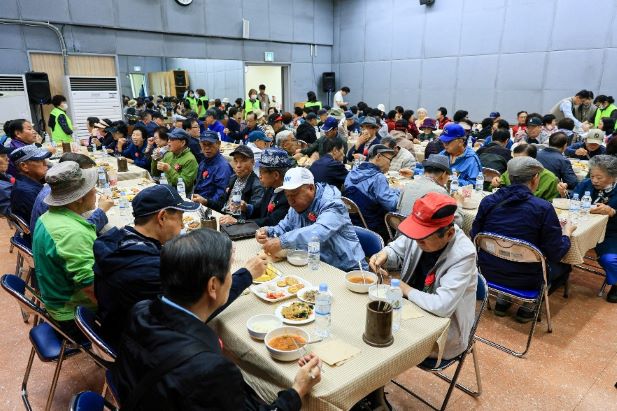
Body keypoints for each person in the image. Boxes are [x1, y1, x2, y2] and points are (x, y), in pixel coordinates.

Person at [111, 228, 321, 410]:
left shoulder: (140, 311)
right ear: (212, 286)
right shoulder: (211, 369)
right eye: (229, 271)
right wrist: (297, 390)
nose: (231, 277)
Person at [94, 185, 230, 349]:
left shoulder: (116, 240)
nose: (182, 226)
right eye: (180, 218)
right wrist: (247, 272)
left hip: (114, 326)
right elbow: (201, 302)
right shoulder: (150, 269)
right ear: (162, 217)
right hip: (139, 346)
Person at [369, 193, 478, 361]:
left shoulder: (464, 254)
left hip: (442, 329)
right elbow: (397, 249)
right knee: (372, 325)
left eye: (423, 239)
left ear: (449, 234)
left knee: (382, 341)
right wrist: (385, 255)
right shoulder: (419, 234)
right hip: (409, 310)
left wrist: (405, 289)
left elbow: (442, 306)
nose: (416, 240)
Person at [471, 157, 575, 321]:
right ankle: (528, 308)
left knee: (508, 253)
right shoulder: (543, 208)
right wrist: (566, 234)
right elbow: (555, 252)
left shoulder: (489, 200)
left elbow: (475, 235)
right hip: (528, 278)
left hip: (488, 271)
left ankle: (502, 301)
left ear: (509, 177)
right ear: (535, 178)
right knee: (564, 266)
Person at [32, 161, 100, 342]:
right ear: (79, 198)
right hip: (75, 316)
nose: (96, 191)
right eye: (92, 188)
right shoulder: (71, 233)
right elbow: (90, 287)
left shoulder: (47, 217)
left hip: (58, 304)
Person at [257, 168, 367, 271]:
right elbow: (284, 227)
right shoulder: (296, 206)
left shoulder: (333, 204)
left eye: (294, 194)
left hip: (349, 269)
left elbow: (319, 231)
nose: (291, 201)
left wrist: (283, 241)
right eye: (287, 195)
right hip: (318, 264)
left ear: (310, 188)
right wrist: (267, 231)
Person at [30, 153, 113, 234]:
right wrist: (101, 211)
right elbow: (81, 231)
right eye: (87, 180)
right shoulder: (57, 200)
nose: (95, 190)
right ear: (73, 178)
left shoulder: (57, 188)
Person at [573, 155, 617, 302]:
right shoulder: (586, 184)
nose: (594, 181)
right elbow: (573, 200)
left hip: (611, 232)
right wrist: (563, 193)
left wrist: (613, 212)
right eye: (592, 176)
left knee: (609, 259)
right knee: (560, 243)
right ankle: (559, 275)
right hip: (581, 227)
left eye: (599, 177)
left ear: (613, 176)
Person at [218, 148, 291, 227]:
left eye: (261, 173)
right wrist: (246, 207)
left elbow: (270, 221)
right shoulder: (271, 188)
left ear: (276, 175)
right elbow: (261, 210)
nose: (259, 177)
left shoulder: (288, 196)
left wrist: (238, 221)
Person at [343, 144, 400, 241]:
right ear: (378, 156)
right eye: (390, 160)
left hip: (353, 223)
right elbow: (392, 205)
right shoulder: (378, 178)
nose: (390, 164)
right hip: (373, 227)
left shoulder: (352, 172)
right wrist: (399, 193)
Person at [197, 145, 264, 220]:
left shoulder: (257, 185)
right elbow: (221, 204)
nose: (238, 165)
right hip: (223, 218)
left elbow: (257, 215)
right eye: (235, 160)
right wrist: (205, 201)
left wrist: (245, 209)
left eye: (243, 161)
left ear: (253, 162)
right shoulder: (233, 178)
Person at [492, 144, 560, 201]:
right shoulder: (511, 171)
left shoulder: (550, 178)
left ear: (533, 160)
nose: (516, 164)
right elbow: (497, 189)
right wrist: (496, 184)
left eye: (521, 161)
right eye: (514, 160)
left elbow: (553, 203)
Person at [10, 145, 51, 227]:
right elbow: (48, 221)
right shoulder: (26, 192)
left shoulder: (27, 183)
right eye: (40, 160)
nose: (46, 163)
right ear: (24, 166)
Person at [192, 131, 233, 207]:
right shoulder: (203, 162)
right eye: (204, 144)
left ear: (218, 144)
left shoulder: (223, 167)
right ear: (200, 145)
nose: (207, 148)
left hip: (209, 206)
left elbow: (220, 198)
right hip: (197, 201)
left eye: (210, 144)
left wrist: (206, 202)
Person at [157, 129, 199, 193]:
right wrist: (155, 158)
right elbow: (155, 174)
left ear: (182, 143)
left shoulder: (190, 160)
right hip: (165, 190)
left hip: (180, 195)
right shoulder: (168, 154)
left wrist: (169, 169)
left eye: (172, 139)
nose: (168, 142)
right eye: (169, 139)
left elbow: (184, 184)